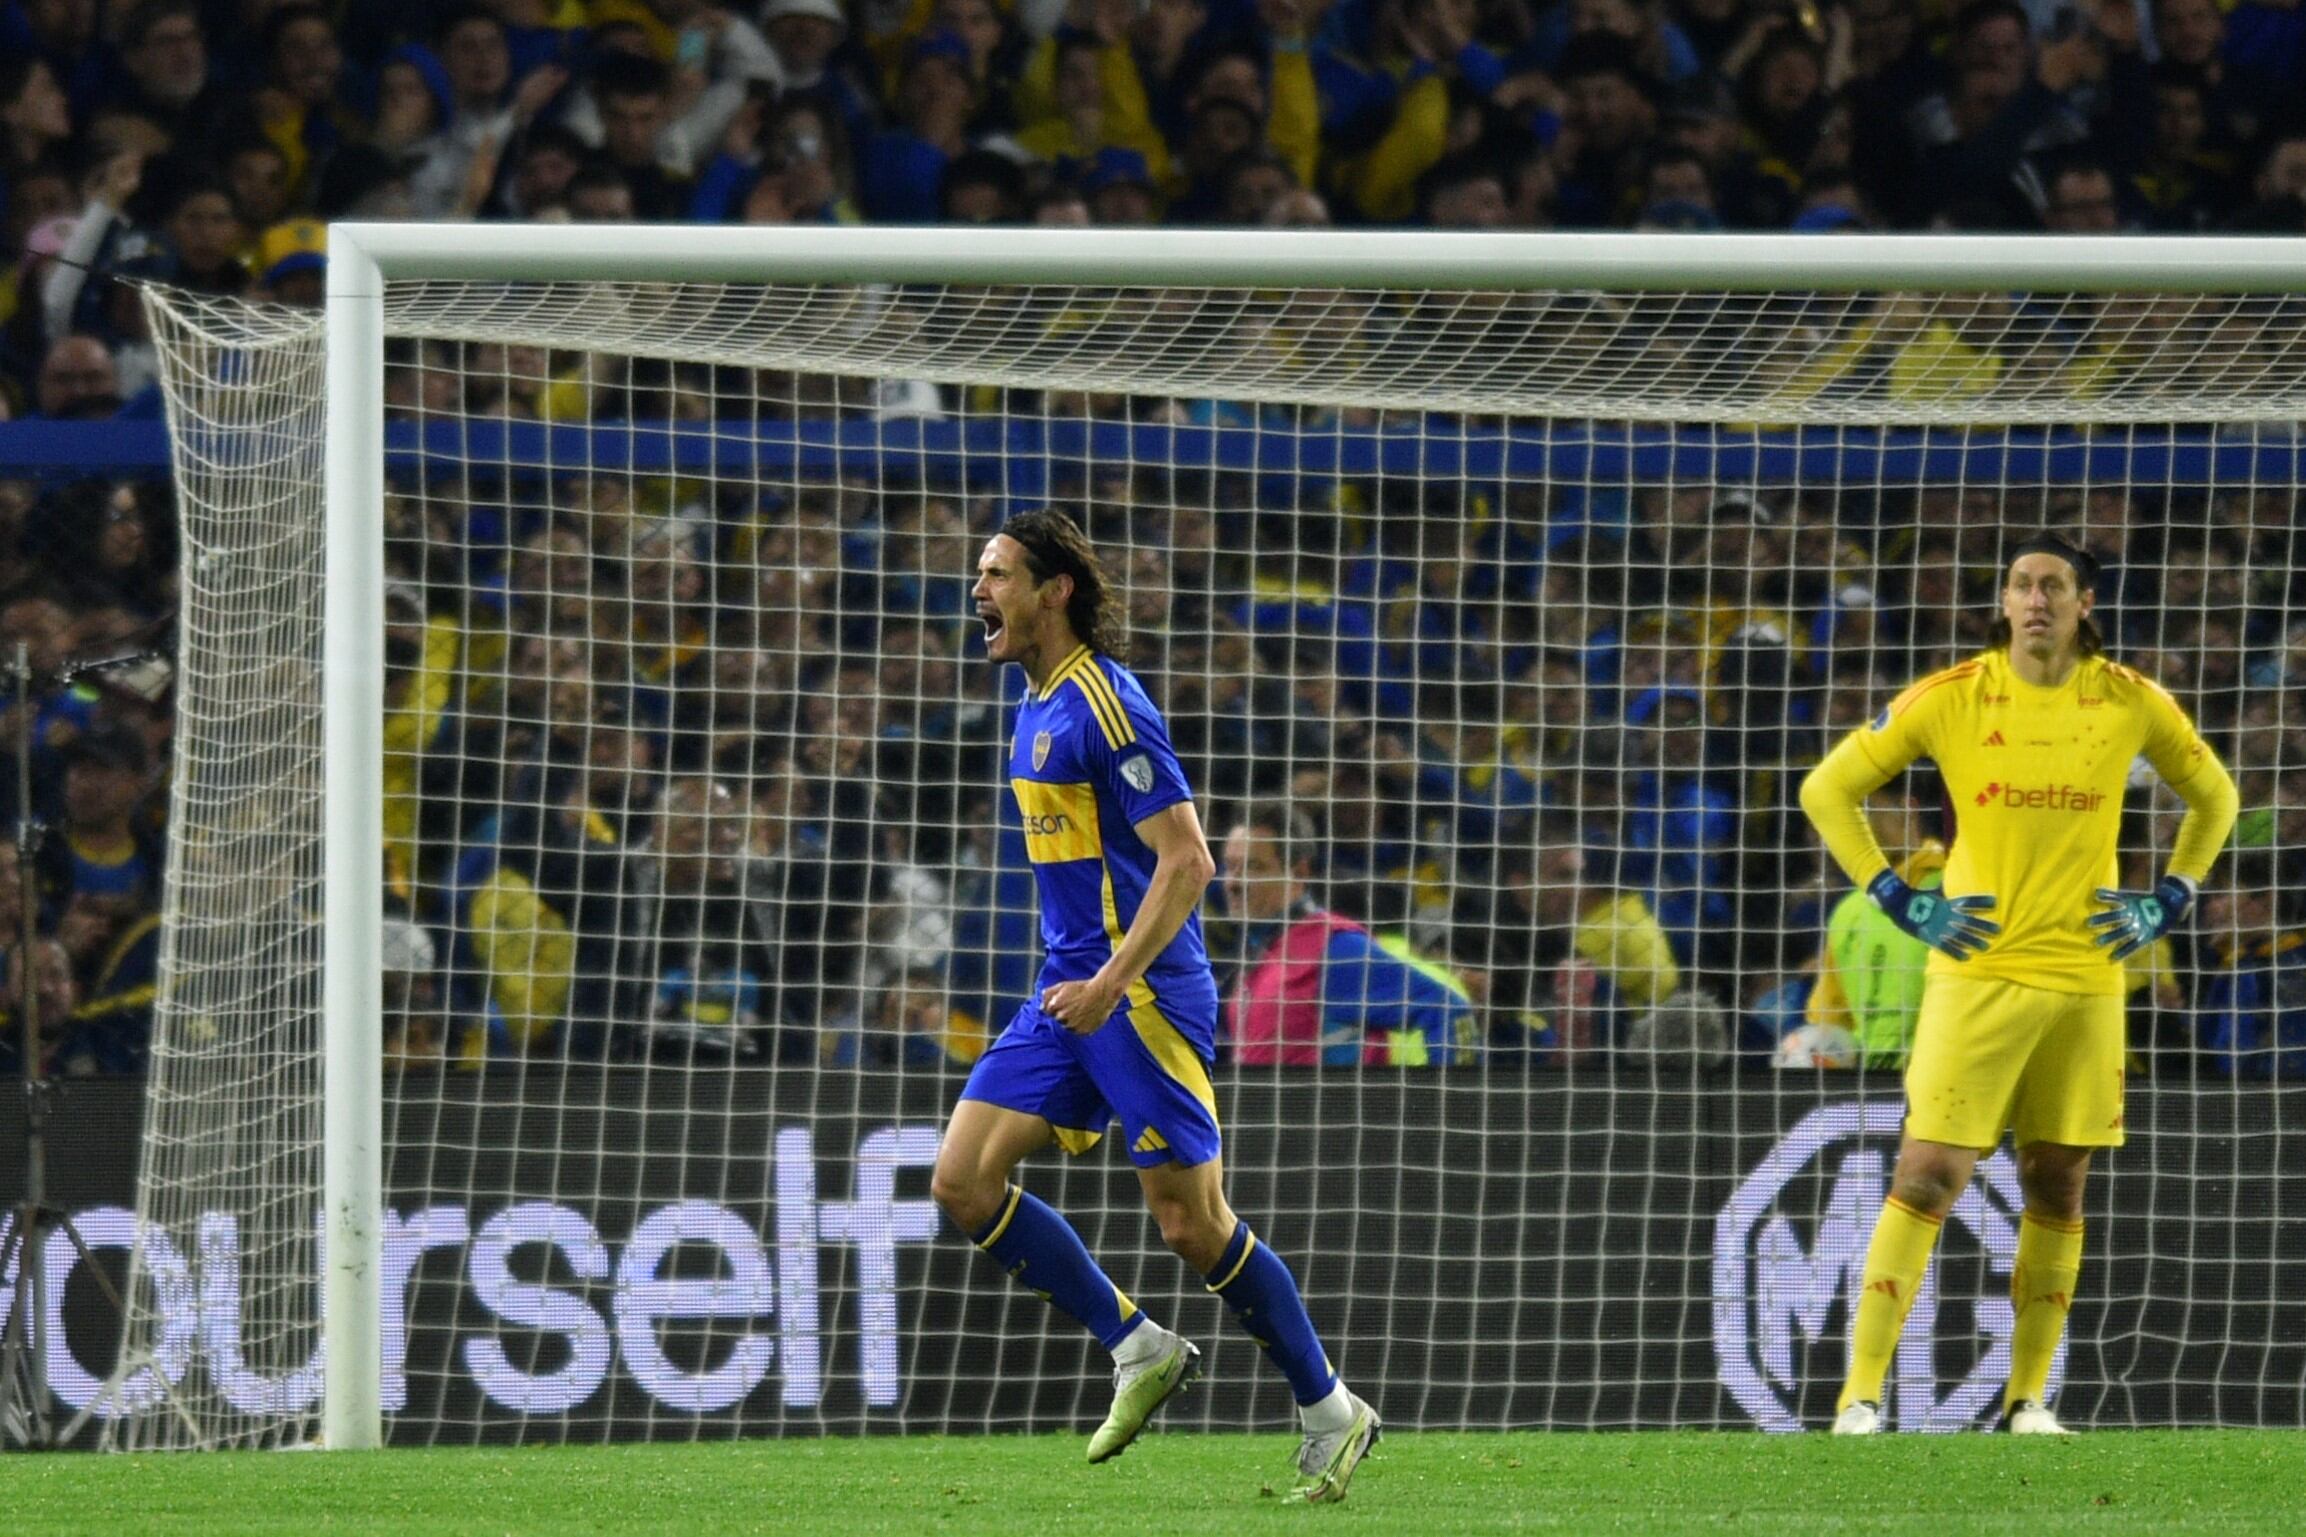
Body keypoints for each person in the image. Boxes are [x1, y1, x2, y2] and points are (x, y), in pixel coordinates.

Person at [929, 508, 1379, 1500]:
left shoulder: (1106, 703)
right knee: (960, 1182)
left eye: (997, 574)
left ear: (1055, 591)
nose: (979, 591)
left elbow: (1188, 862)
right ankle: (1137, 1345)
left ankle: (1329, 1408)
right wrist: (1077, 983)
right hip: (1066, 992)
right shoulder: (1034, 699)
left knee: (1189, 1222)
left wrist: (1109, 983)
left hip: (1136, 998)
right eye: (980, 573)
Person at [1798, 530, 2238, 1436]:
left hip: (2085, 976)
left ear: (2086, 607)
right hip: (1978, 970)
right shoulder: (1953, 696)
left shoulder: (2130, 702)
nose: (2035, 599)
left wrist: (2171, 899)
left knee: (2057, 1183)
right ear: (2004, 603)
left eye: (2054, 586)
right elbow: (1826, 789)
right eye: (2020, 584)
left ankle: (2029, 1398)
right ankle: (1860, 1396)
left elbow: (2218, 797)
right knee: (1926, 1175)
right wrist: (1897, 897)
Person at [1223, 801, 1477, 1068]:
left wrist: (1449, 1108)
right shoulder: (1259, 955)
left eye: (1253, 867)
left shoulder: (1333, 948)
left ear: (1299, 872)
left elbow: (1448, 1009)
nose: (1233, 883)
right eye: (1230, 866)